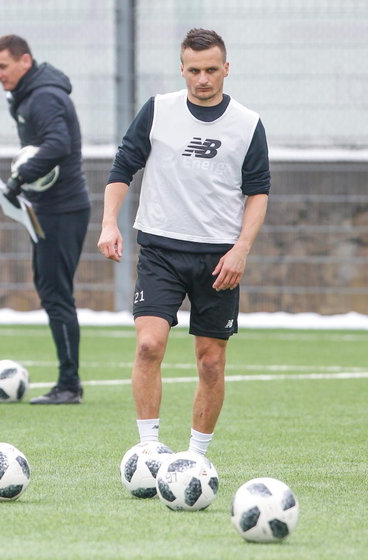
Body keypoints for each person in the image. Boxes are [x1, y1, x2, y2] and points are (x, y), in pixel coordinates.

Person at [97, 29, 270, 456]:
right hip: (160, 249)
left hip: (219, 257)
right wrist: (109, 223)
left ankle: (195, 457)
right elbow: (123, 167)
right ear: (182, 70)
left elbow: (259, 193)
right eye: (194, 70)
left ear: (226, 68)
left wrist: (241, 249)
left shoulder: (248, 124)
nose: (203, 79)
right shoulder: (158, 110)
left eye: (212, 70)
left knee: (210, 362)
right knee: (148, 344)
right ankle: (149, 450)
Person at [0, 35, 90, 404]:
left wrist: (19, 177)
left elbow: (58, 144)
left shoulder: (45, 96)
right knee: (50, 291)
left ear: (25, 61)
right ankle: (68, 380)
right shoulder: (30, 95)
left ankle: (69, 385)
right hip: (48, 208)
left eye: (3, 66)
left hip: (62, 210)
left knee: (56, 294)